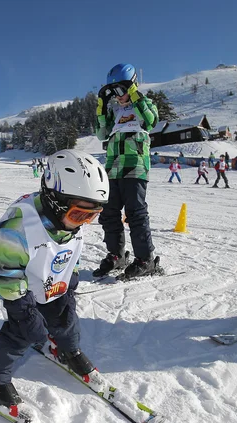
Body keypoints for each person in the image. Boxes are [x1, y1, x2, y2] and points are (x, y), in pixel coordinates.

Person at [0, 149, 109, 407]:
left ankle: (67, 350)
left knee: (66, 319)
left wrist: (71, 279)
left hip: (54, 284)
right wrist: (23, 310)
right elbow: (4, 272)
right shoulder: (18, 226)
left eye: (93, 215)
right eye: (80, 215)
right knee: (21, 333)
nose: (85, 222)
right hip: (20, 291)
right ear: (55, 200)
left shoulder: (70, 222)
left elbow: (71, 252)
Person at [93, 63, 160, 279]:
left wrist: (134, 95)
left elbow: (152, 121)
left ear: (131, 86)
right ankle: (117, 256)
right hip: (113, 169)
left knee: (135, 214)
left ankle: (145, 260)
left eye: (120, 90)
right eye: (113, 93)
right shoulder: (116, 112)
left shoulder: (144, 104)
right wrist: (102, 106)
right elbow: (101, 134)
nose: (117, 96)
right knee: (109, 213)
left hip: (135, 166)